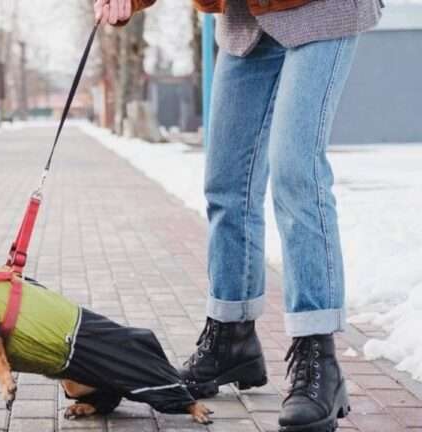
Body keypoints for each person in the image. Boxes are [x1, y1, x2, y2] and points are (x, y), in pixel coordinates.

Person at [93, 0, 381, 430]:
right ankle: (231, 338)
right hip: (245, 21)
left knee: (296, 171)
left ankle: (317, 356)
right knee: (227, 182)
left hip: (322, 9)